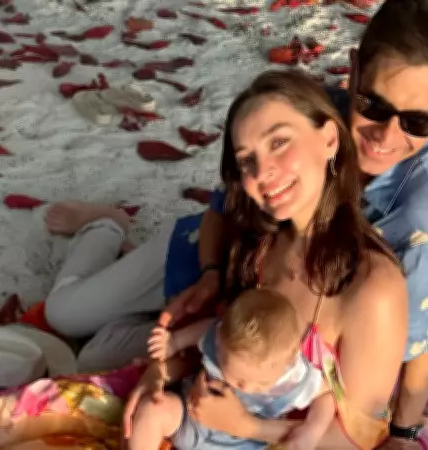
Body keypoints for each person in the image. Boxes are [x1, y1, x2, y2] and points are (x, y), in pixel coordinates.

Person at [46, 0, 428, 447]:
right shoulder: (303, 115)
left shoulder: (424, 227)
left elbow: (421, 342)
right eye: (373, 105)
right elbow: (225, 208)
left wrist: (403, 432)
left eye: (418, 121)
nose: (385, 136)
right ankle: (106, 226)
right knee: (66, 316)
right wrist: (210, 276)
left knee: (97, 355)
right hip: (217, 269)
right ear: (353, 73)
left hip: (268, 343)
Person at [123, 68, 408, 449]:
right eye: (247, 160)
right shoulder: (261, 242)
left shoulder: (373, 288)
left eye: (279, 142)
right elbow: (227, 348)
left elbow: (357, 439)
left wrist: (247, 427)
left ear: (329, 139)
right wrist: (162, 371)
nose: (263, 173)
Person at [131, 289, 334, 450]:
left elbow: (327, 393)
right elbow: (205, 329)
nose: (247, 387)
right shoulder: (218, 337)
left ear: (288, 362)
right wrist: (175, 342)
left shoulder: (292, 377)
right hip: (189, 417)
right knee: (151, 409)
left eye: (262, 383)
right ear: (220, 342)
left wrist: (313, 429)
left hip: (240, 444)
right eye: (237, 378)